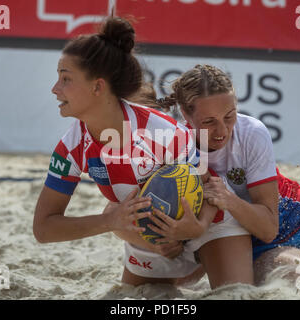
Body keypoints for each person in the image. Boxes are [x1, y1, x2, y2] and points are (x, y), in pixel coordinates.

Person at [33, 17, 254, 290]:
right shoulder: (71, 146)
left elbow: (211, 187)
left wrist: (196, 227)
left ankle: (213, 261)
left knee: (235, 294)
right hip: (153, 238)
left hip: (208, 225)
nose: (55, 89)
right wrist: (109, 222)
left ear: (98, 87)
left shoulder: (159, 130)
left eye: (66, 79)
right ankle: (185, 270)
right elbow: (43, 228)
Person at [149, 64, 300, 286]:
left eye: (229, 116)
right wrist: (176, 242)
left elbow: (270, 223)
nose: (222, 131)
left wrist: (228, 199)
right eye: (209, 122)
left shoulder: (251, 132)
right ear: (186, 116)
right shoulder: (175, 147)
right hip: (247, 242)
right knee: (297, 274)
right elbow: (267, 235)